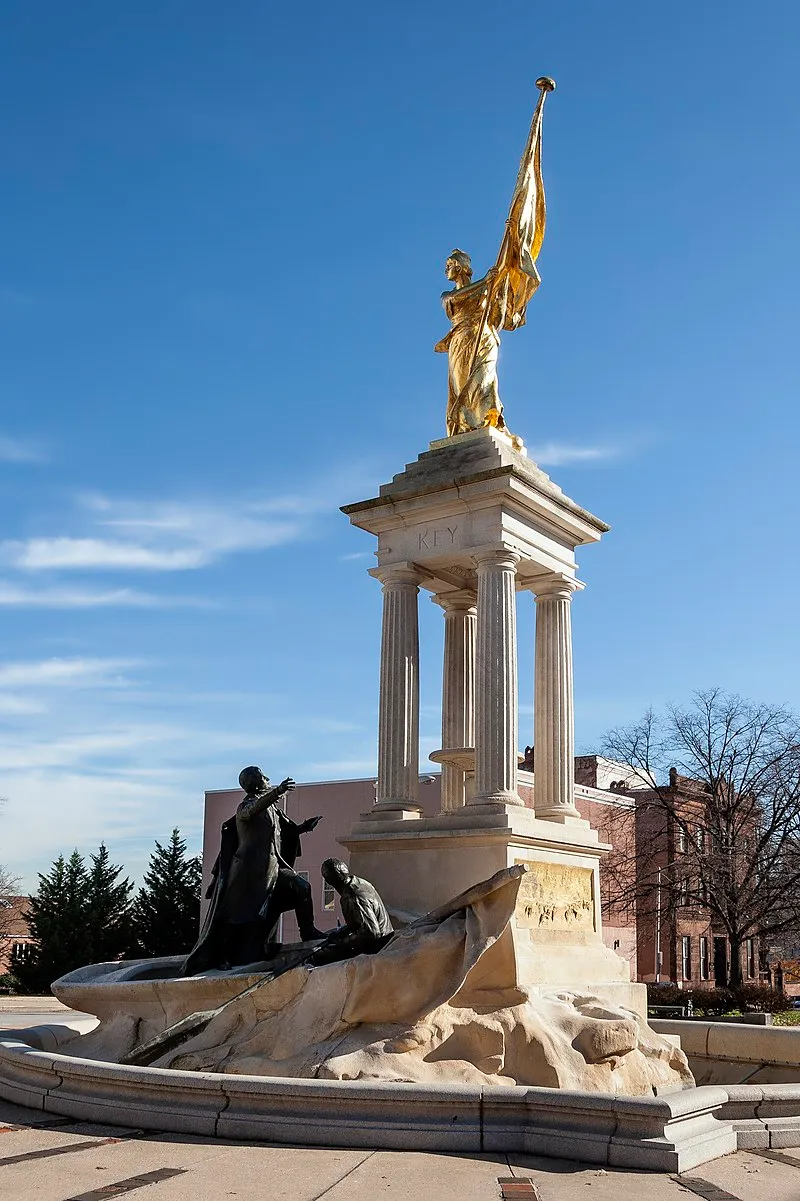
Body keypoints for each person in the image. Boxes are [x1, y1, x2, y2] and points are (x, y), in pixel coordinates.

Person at [183, 766, 323, 974]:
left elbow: (285, 832)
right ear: (256, 783)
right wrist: (277, 792)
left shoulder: (274, 810)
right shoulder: (245, 806)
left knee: (301, 887)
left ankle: (308, 931)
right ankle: (222, 956)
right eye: (264, 777)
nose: (269, 779)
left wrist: (304, 827)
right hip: (247, 872)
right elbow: (252, 810)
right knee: (236, 915)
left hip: (274, 867)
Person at [308, 858, 393, 967]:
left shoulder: (353, 897)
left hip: (376, 947)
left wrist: (343, 941)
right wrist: (342, 932)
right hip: (380, 940)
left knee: (316, 958)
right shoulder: (360, 882)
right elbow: (361, 922)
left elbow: (371, 932)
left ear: (328, 881)